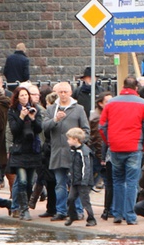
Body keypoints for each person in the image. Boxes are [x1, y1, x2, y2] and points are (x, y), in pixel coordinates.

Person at [99, 76, 144, 225]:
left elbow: (102, 126)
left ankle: (117, 213)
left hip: (116, 146)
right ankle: (130, 215)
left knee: (117, 181)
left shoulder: (111, 103)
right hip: (134, 146)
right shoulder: (142, 104)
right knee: (131, 182)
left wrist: (109, 142)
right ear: (136, 88)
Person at [43, 81, 90, 221]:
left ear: (70, 93)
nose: (63, 95)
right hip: (57, 152)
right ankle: (61, 211)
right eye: (60, 92)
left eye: (65, 92)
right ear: (56, 93)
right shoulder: (51, 109)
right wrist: (55, 120)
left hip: (74, 153)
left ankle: (78, 211)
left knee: (75, 183)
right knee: (59, 184)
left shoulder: (79, 109)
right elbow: (44, 126)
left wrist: (79, 141)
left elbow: (86, 131)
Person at [6, 86, 41, 220]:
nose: (24, 97)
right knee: (22, 180)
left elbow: (39, 128)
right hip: (19, 151)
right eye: (21, 95)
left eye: (26, 95)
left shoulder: (34, 108)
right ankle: (23, 210)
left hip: (32, 150)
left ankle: (22, 206)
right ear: (17, 97)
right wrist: (21, 117)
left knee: (30, 182)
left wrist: (32, 118)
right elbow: (14, 130)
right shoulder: (12, 111)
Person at [64, 128, 96, 226]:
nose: (67, 141)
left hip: (83, 181)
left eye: (69, 139)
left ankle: (91, 219)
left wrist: (84, 181)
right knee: (70, 199)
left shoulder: (84, 151)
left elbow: (86, 167)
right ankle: (72, 216)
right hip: (75, 180)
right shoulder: (74, 150)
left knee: (85, 201)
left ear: (75, 139)